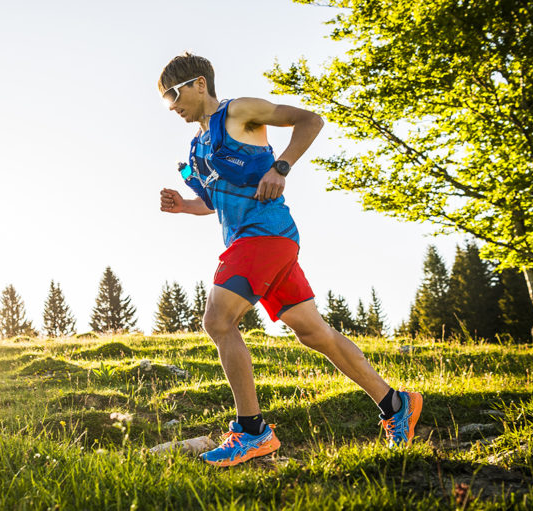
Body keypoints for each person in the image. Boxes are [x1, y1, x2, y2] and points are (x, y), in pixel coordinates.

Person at [156, 52, 422, 468]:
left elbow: (310, 120)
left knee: (218, 321)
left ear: (199, 84)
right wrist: (183, 206)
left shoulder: (239, 112)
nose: (171, 105)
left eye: (173, 93)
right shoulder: (198, 146)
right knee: (314, 333)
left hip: (264, 235)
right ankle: (395, 403)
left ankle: (252, 432)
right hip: (261, 242)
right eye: (165, 100)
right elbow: (212, 201)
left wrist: (281, 167)